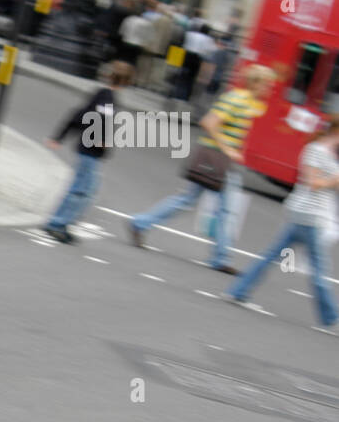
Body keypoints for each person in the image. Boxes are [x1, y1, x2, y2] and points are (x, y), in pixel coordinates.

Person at [129, 64, 278, 273]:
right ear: (255, 83)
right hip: (217, 159)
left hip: (221, 161)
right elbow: (209, 122)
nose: (270, 89)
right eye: (267, 85)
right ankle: (220, 257)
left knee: (194, 201)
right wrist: (228, 149)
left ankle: (141, 223)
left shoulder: (247, 101)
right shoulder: (237, 99)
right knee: (218, 208)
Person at [225, 116, 339, 327]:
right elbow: (313, 183)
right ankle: (331, 315)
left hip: (304, 214)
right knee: (320, 268)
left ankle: (239, 290)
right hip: (310, 215)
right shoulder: (316, 150)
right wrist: (335, 179)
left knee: (270, 256)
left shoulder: (330, 154)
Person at [42, 61, 135, 243]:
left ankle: (62, 223)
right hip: (90, 150)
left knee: (85, 190)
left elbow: (79, 115)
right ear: (126, 81)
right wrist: (101, 139)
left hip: (89, 150)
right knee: (82, 189)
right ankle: (57, 224)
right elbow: (95, 118)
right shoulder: (107, 97)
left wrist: (60, 136)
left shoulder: (105, 95)